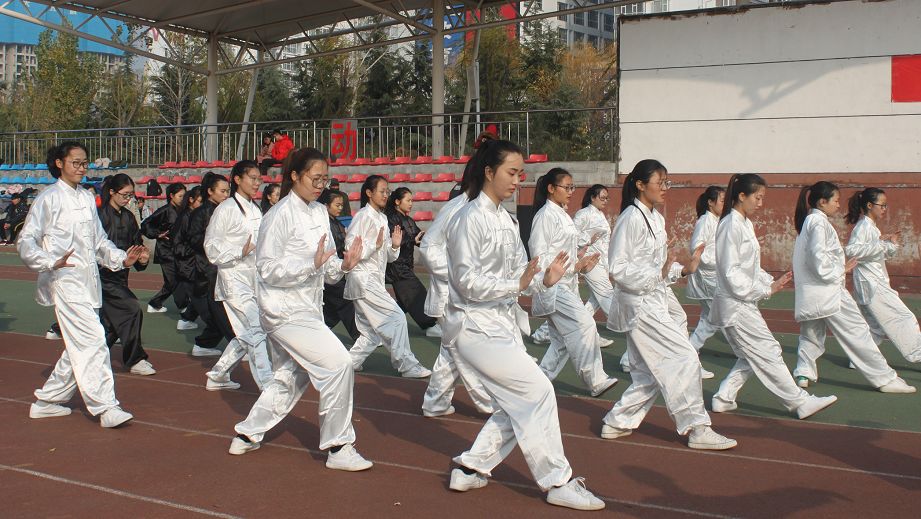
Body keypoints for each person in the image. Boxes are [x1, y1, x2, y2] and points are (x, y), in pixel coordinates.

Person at [444, 134, 604, 511]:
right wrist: (513, 284)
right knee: (538, 392)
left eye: (521, 174)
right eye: (512, 173)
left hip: (500, 324)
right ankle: (557, 481)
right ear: (488, 172)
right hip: (473, 326)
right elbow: (465, 282)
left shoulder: (507, 219)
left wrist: (542, 280)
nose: (518, 181)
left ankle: (471, 467)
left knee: (517, 403)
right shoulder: (469, 218)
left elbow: (521, 271)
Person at [228, 147, 373, 472]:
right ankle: (338, 446)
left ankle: (248, 433)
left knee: (291, 377)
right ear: (295, 175)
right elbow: (267, 270)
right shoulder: (277, 216)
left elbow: (326, 266)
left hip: (309, 310)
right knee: (338, 364)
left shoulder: (320, 213)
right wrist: (309, 265)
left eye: (326, 178)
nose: (321, 184)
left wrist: (344, 265)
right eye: (315, 177)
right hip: (282, 313)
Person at [600, 159, 737, 450]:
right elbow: (618, 269)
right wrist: (659, 273)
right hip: (639, 304)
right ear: (640, 184)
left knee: (648, 374)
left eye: (667, 182)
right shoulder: (631, 218)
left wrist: (683, 269)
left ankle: (618, 421)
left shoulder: (655, 218)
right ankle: (697, 428)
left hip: (653, 298)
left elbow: (660, 269)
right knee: (685, 357)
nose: (665, 187)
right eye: (660, 182)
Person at [18, 142, 140, 428]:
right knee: (95, 341)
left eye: (85, 163)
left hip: (89, 282)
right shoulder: (48, 199)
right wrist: (49, 261)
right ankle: (106, 407)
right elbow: (26, 240)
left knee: (79, 345)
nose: (82, 168)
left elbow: (98, 241)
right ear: (60, 163)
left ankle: (47, 401)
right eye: (76, 162)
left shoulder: (87, 197)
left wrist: (121, 258)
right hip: (64, 281)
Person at [709, 174, 837, 419]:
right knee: (767, 350)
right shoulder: (730, 225)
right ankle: (799, 402)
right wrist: (765, 289)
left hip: (742, 302)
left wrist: (769, 281)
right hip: (735, 304)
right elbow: (730, 271)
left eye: (762, 198)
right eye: (757, 197)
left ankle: (724, 397)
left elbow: (749, 267)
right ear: (741, 196)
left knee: (752, 353)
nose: (760, 203)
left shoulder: (744, 223)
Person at [792, 181, 914, 393]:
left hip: (812, 292)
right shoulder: (819, 224)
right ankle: (885, 379)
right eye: (836, 201)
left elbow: (819, 254)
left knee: (811, 335)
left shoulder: (810, 222)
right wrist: (841, 269)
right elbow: (819, 258)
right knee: (858, 331)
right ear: (823, 202)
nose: (839, 205)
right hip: (829, 290)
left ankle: (804, 372)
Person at [529, 169, 617, 398]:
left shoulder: (562, 214)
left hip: (567, 283)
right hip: (553, 285)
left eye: (572, 188)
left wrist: (579, 263)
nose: (570, 192)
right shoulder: (545, 216)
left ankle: (539, 381)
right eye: (566, 187)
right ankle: (595, 380)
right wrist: (562, 271)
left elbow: (567, 251)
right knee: (586, 324)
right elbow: (539, 254)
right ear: (551, 188)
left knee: (560, 341)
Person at [419, 171, 494, 418]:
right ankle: (489, 404)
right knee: (466, 350)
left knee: (451, 351)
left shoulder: (480, 210)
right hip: (449, 295)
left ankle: (436, 402)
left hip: (463, 296)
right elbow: (429, 248)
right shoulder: (457, 207)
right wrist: (456, 276)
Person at [344, 175, 431, 378]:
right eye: (382, 191)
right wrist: (372, 245)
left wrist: (394, 245)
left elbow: (388, 257)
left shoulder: (382, 218)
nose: (386, 195)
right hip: (362, 279)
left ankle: (349, 363)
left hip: (373, 280)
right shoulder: (363, 217)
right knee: (397, 317)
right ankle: (406, 364)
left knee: (370, 333)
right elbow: (350, 248)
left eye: (387, 191)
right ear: (369, 193)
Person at [203, 160, 274, 391]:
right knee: (255, 329)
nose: (257, 183)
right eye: (252, 178)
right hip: (233, 279)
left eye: (259, 178)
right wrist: (237, 252)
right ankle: (268, 385)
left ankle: (218, 374)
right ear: (237, 179)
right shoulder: (225, 209)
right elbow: (211, 248)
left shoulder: (255, 209)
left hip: (253, 279)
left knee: (246, 333)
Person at [845, 188, 921, 364]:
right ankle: (917, 354)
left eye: (886, 205)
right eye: (882, 205)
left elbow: (877, 253)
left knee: (876, 328)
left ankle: (858, 360)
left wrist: (889, 244)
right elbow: (852, 250)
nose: (885, 209)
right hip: (873, 285)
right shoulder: (863, 226)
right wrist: (880, 245)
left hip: (871, 284)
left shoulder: (872, 228)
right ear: (870, 205)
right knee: (905, 317)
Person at [97, 174, 156, 376]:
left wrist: (143, 259)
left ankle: (92, 358)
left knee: (111, 324)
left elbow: (136, 246)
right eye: (124, 194)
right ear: (112, 192)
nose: (127, 199)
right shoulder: (99, 216)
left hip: (121, 276)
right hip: (101, 277)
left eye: (131, 195)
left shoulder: (129, 217)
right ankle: (135, 359)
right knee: (132, 309)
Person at [187, 173, 239, 360]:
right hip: (208, 269)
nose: (226, 195)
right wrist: (214, 242)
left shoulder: (228, 211)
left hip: (225, 267)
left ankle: (204, 344)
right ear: (210, 191)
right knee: (222, 311)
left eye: (228, 191)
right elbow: (193, 240)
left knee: (221, 313)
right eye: (222, 191)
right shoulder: (201, 213)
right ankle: (239, 344)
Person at [384, 187, 440, 335]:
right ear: (397, 201)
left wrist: (431, 240)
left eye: (412, 200)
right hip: (396, 266)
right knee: (416, 294)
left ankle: (384, 325)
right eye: (408, 200)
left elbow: (417, 237)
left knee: (404, 302)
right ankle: (430, 326)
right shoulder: (391, 219)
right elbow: (394, 240)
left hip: (406, 266)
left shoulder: (408, 220)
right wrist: (412, 239)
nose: (411, 203)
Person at [685, 186, 726, 380]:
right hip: (707, 278)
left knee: (710, 318)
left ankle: (689, 355)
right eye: (721, 200)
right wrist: (721, 260)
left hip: (713, 277)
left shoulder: (716, 221)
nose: (724, 204)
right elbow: (697, 249)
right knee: (715, 319)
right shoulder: (705, 221)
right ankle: (690, 355)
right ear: (710, 202)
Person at [319, 189, 360, 341]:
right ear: (326, 206)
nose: (340, 208)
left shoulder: (337, 223)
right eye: (337, 205)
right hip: (328, 269)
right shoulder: (324, 225)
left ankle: (323, 326)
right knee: (346, 301)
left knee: (331, 308)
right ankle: (360, 337)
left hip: (338, 268)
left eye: (341, 205)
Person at [141, 183, 186, 313]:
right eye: (180, 196)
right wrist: (157, 234)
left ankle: (155, 304)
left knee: (174, 281)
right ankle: (184, 307)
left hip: (177, 251)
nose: (183, 198)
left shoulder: (182, 211)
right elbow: (146, 224)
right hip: (165, 252)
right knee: (174, 281)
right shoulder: (164, 210)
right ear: (171, 196)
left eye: (184, 195)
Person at [172, 185, 204, 332]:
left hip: (194, 261)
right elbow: (178, 243)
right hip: (188, 263)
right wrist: (192, 250)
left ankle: (187, 318)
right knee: (200, 295)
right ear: (191, 200)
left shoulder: (195, 215)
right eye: (200, 201)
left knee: (199, 293)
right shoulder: (185, 217)